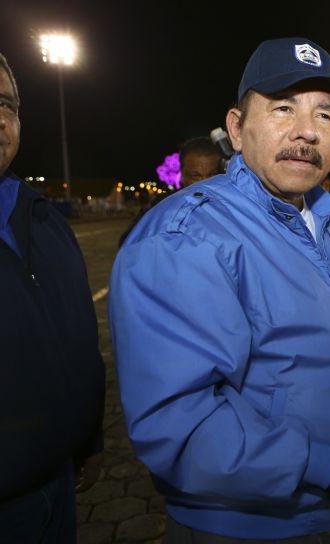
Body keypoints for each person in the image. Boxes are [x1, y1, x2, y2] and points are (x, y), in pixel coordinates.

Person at [109, 37, 330, 542]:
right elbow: (183, 428)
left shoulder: (322, 220)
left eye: (325, 115)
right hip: (248, 524)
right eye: (284, 108)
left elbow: (318, 313)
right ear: (237, 129)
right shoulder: (188, 237)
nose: (307, 131)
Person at [0, 52, 105, 542]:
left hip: (58, 484)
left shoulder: (43, 217)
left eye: (6, 104)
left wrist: (89, 438)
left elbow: (79, 341)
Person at [118, 136, 223, 246]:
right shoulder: (162, 206)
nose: (204, 183)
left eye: (212, 174)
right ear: (182, 175)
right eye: (195, 176)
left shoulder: (230, 205)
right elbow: (128, 242)